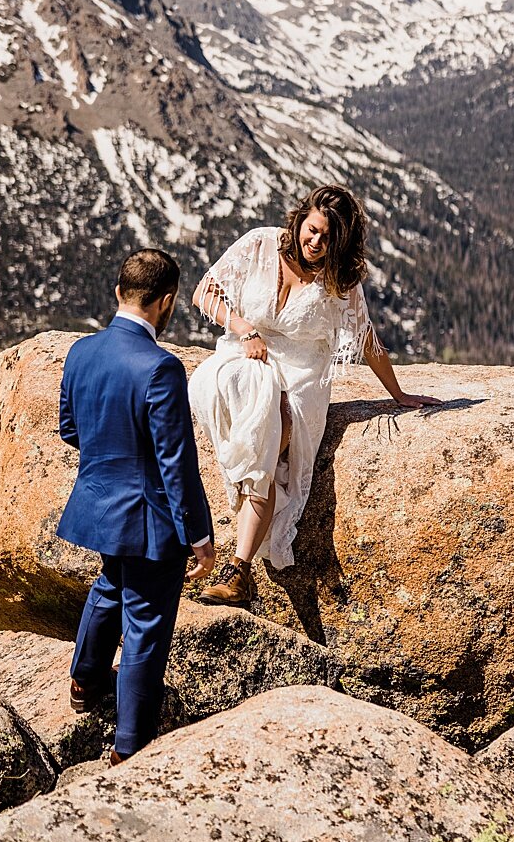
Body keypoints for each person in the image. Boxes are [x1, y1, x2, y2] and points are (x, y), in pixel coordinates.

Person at [188, 184, 439, 610]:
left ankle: (238, 567)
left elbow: (367, 340)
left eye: (328, 238)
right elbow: (204, 294)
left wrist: (397, 394)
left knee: (275, 429)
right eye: (313, 230)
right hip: (245, 356)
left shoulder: (339, 280)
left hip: (301, 376)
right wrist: (245, 328)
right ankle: (239, 568)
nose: (317, 243)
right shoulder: (260, 244)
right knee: (255, 398)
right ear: (300, 219)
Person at [58, 247, 216, 767]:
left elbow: (70, 429)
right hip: (148, 518)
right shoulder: (161, 367)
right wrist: (198, 533)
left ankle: (84, 682)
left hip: (99, 505)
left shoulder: (81, 351)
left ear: (118, 292)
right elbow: (176, 462)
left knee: (110, 585)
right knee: (147, 620)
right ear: (166, 302)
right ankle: (131, 746)